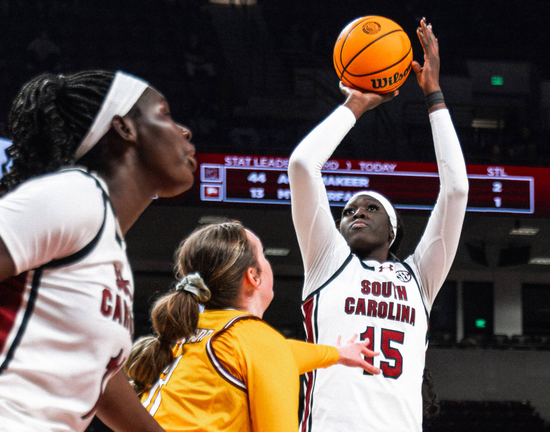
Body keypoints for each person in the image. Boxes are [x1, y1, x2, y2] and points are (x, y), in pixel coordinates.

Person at [288, 18, 469, 432]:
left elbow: (456, 190)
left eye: (371, 208)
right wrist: (356, 104)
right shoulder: (327, 261)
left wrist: (434, 95)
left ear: (392, 230)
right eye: (349, 209)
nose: (356, 212)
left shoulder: (419, 277)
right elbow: (302, 166)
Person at [0, 70, 196, 431]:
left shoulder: (110, 249)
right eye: (165, 113)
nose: (185, 131)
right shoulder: (75, 195)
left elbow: (102, 382)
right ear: (124, 128)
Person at [123, 221, 380, 431]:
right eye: (263, 256)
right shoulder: (257, 342)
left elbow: (281, 353)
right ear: (253, 276)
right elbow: (271, 353)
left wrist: (337, 354)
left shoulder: (187, 332)